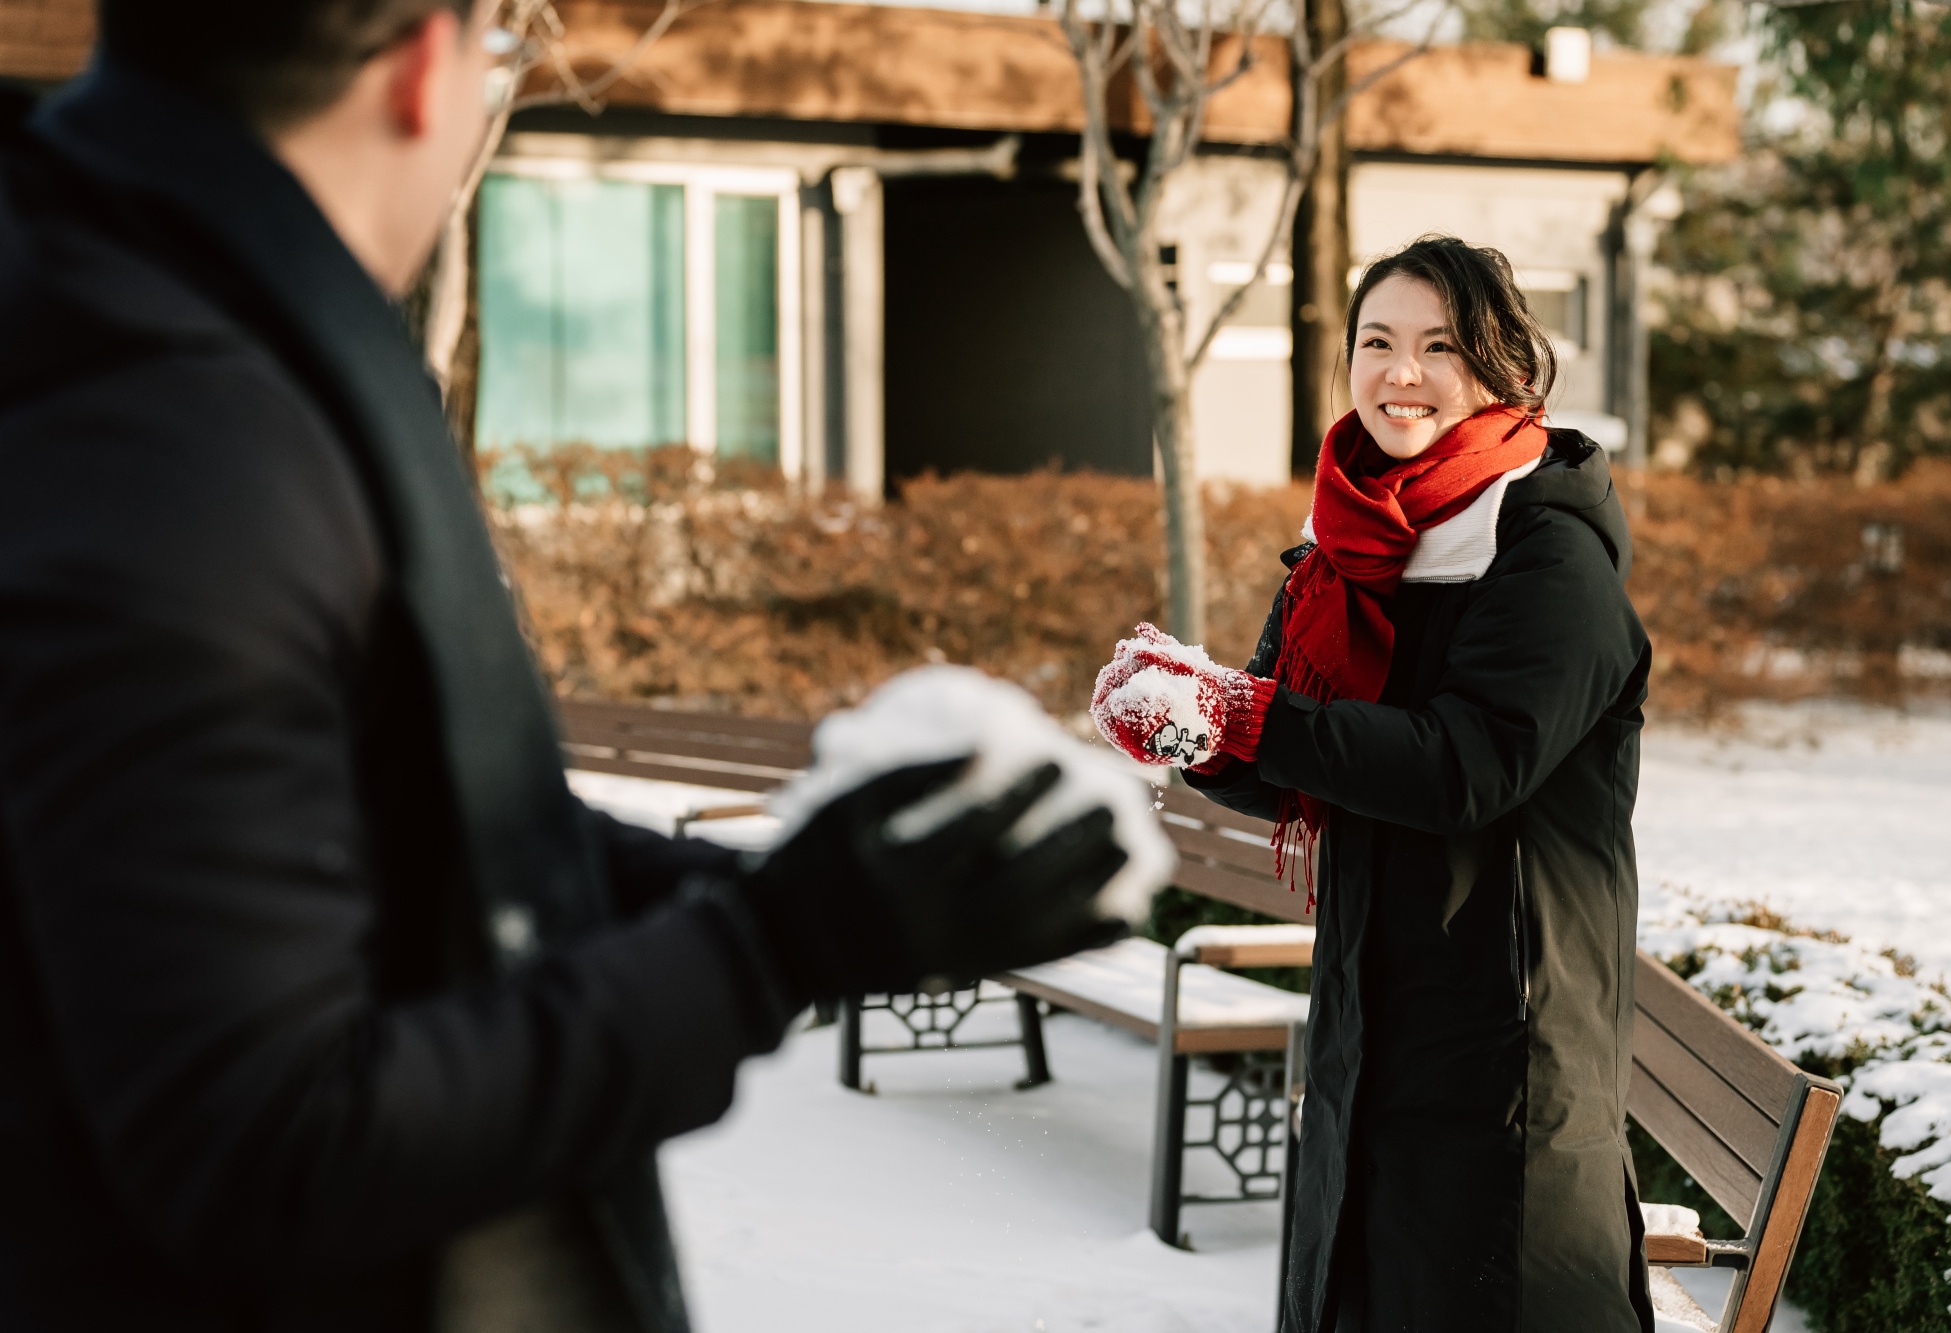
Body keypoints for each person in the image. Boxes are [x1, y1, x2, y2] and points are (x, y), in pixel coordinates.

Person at [0, 4, 1131, 1330]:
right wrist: (775, 946)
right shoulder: (178, 436)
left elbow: (379, 806)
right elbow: (267, 1141)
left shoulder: (132, 306)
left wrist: (797, 891)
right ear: (428, 67)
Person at [1091, 235, 1654, 1332]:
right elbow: (1300, 761)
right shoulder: (1340, 551)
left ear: (1501, 366)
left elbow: (1462, 766)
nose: (1401, 373)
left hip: (1507, 1053)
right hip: (1367, 1030)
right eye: (1377, 342)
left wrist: (1243, 714)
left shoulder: (1549, 554)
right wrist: (1192, 731)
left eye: (1440, 346)